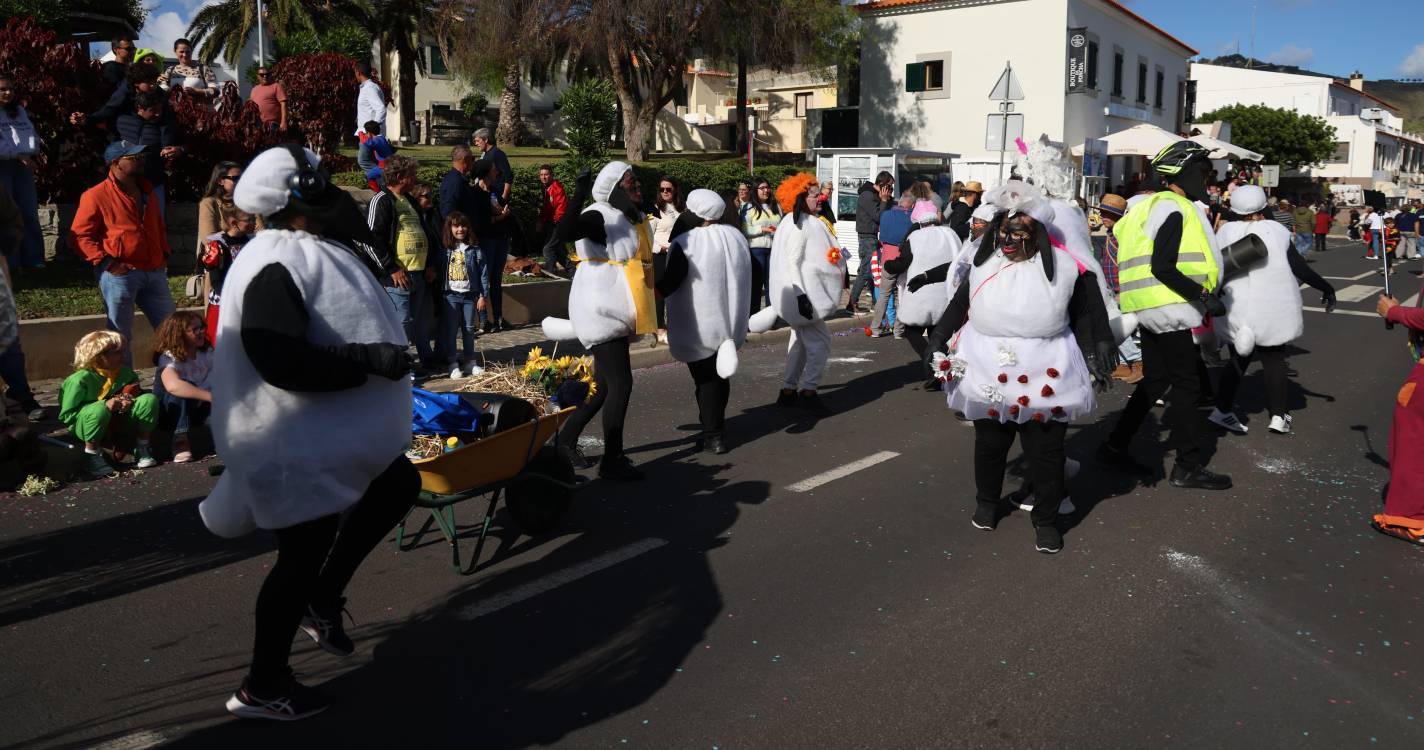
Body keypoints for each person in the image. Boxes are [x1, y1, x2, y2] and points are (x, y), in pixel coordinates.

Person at [200, 144, 417, 721]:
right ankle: (263, 685)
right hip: (292, 439)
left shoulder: (305, 249)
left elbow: (349, 228)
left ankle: (322, 596)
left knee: (397, 485)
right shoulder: (274, 260)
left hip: (326, 435)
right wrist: (366, 360)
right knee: (298, 559)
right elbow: (279, 359)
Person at [924, 181, 1115, 554]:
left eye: (1018, 233)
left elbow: (1086, 313)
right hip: (986, 363)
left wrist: (1097, 349)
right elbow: (960, 304)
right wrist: (938, 338)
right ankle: (986, 503)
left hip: (1046, 366)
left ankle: (1045, 519)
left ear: (1038, 234)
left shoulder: (1063, 267)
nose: (1008, 241)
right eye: (1003, 232)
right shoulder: (984, 264)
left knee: (1045, 451)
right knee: (990, 442)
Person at [1097, 141, 1232, 491]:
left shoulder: (1144, 208)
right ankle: (1187, 466)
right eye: (1204, 172)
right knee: (1187, 386)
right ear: (1182, 173)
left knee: (1156, 380)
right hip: (1170, 308)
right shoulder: (1176, 207)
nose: (1209, 179)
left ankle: (1114, 446)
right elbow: (1163, 266)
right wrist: (1204, 297)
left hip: (1147, 306)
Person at [543, 161, 656, 480]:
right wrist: (578, 192)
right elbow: (562, 234)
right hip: (600, 306)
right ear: (614, 187)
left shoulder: (628, 216)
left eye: (635, 181)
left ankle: (564, 441)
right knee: (622, 382)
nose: (636, 186)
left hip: (613, 305)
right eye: (629, 182)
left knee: (605, 384)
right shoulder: (598, 214)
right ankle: (613, 460)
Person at [1209, 185, 1336, 437]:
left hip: (1235, 307)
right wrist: (1326, 287)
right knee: (1274, 359)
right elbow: (1299, 267)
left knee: (1238, 358)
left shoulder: (1224, 232)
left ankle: (1221, 410)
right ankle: (1278, 416)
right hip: (1270, 307)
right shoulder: (1275, 230)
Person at [656, 190, 751, 454]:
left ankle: (713, 434)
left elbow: (671, 282)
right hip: (730, 322)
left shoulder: (688, 242)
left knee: (705, 379)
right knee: (720, 375)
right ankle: (715, 425)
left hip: (699, 323)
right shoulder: (735, 237)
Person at [748, 173, 847, 414]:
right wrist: (801, 295)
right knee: (821, 343)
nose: (820, 198)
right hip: (805, 297)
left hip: (799, 297)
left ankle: (788, 390)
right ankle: (809, 391)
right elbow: (792, 262)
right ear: (802, 198)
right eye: (815, 195)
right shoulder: (799, 225)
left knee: (799, 343)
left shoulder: (796, 221)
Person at [71, 140, 175, 365]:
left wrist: (164, 254)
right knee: (120, 337)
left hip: (154, 270)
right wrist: (108, 263)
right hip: (120, 273)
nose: (140, 160)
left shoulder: (148, 191)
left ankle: (171, 385)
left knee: (172, 331)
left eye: (141, 156)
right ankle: (125, 386)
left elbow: (158, 225)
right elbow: (80, 236)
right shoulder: (95, 195)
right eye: (133, 157)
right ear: (115, 163)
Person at [366, 155, 437, 372]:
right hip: (398, 278)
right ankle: (400, 365)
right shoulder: (382, 200)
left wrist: (430, 263)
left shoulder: (411, 200)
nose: (416, 178)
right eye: (412, 175)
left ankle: (425, 360)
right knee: (402, 322)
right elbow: (371, 240)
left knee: (420, 322)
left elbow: (425, 233)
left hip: (419, 273)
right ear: (399, 177)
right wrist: (392, 269)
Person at [59, 330, 158, 479]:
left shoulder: (125, 373)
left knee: (149, 399)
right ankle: (91, 455)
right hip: (87, 426)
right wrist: (104, 405)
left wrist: (128, 399)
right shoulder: (78, 380)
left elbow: (135, 391)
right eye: (116, 352)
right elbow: (67, 416)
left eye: (122, 351)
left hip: (119, 422)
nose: (123, 356)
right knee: (100, 409)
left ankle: (142, 446)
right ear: (98, 356)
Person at [884, 199, 963, 365]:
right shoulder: (950, 234)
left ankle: (933, 364)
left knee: (912, 331)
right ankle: (942, 366)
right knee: (938, 333)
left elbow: (902, 263)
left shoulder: (915, 238)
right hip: (945, 292)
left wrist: (888, 265)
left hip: (920, 291)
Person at [150, 310, 213, 463]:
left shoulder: (207, 353)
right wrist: (212, 397)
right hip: (170, 412)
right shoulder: (168, 357)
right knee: (183, 388)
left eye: (202, 327)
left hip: (198, 409)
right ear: (179, 334)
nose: (201, 332)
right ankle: (180, 441)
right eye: (195, 330)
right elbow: (173, 386)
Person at [1095, 194, 1143, 384]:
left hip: (1124, 289)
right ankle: (1122, 363)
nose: (1103, 217)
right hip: (1113, 287)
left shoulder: (1123, 233)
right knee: (1113, 325)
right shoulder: (1111, 232)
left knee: (1119, 325)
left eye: (1108, 214)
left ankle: (1137, 361)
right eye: (1102, 213)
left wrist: (1125, 289)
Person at [0, 71, 44, 269]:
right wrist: (18, 154)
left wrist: (29, 152)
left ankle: (34, 259)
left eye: (10, 89)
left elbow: (30, 134)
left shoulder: (18, 111)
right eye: (2, 89)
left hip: (23, 165)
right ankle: (10, 261)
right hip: (3, 164)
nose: (7, 93)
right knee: (6, 214)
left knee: (28, 211)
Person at [115, 89, 183, 217]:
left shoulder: (166, 125)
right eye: (153, 110)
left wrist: (179, 150)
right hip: (126, 184)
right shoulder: (122, 121)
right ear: (140, 108)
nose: (158, 114)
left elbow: (184, 144)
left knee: (155, 225)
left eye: (160, 110)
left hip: (153, 183)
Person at [438, 211, 486, 379]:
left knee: (469, 329)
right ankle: (452, 363)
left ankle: (470, 362)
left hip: (469, 296)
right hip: (451, 295)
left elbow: (483, 273)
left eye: (463, 225)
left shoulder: (475, 249)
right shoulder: (445, 250)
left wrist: (482, 295)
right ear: (450, 228)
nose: (460, 229)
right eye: (456, 226)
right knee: (451, 330)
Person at [198, 202, 256, 343]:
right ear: (233, 222)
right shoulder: (217, 245)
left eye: (254, 218)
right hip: (225, 302)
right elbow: (216, 282)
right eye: (249, 220)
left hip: (249, 300)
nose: (254, 223)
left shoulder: (253, 242)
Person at [470, 156, 511, 330]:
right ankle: (484, 319)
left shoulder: (494, 190)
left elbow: (502, 206)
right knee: (484, 278)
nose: (497, 172)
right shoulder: (475, 193)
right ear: (486, 173)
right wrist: (501, 216)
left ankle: (498, 318)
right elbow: (481, 221)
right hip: (486, 239)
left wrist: (501, 214)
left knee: (496, 279)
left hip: (500, 238)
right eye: (493, 169)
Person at [868, 192, 914, 337]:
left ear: (899, 203)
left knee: (883, 294)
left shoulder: (886, 215)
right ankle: (899, 330)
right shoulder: (912, 218)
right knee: (902, 294)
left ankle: (875, 328)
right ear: (912, 205)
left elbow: (881, 239)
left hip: (887, 258)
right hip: (904, 259)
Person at [848, 171, 893, 313]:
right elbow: (879, 216)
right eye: (890, 187)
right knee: (866, 271)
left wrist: (887, 200)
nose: (890, 191)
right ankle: (851, 304)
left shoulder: (874, 195)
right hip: (867, 237)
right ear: (882, 185)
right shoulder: (867, 196)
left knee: (874, 271)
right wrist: (884, 201)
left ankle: (874, 302)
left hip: (872, 235)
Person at [648, 175, 684, 344]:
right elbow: (648, 235)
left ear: (675, 189)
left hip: (678, 254)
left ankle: (674, 324)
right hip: (661, 254)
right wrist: (660, 248)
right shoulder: (655, 209)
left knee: (677, 291)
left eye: (668, 189)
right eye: (662, 189)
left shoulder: (681, 208)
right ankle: (660, 327)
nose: (665, 192)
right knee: (660, 292)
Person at [741, 178, 781, 313]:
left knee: (772, 285)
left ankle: (771, 316)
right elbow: (744, 229)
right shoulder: (748, 207)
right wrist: (762, 229)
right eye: (762, 188)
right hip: (756, 249)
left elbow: (781, 227)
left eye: (767, 187)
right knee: (756, 285)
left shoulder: (776, 206)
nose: (766, 190)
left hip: (774, 250)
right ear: (755, 190)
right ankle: (753, 316)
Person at [196, 161, 242, 257]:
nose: (240, 182)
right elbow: (208, 238)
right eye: (236, 178)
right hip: (220, 259)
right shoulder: (209, 203)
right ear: (220, 181)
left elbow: (260, 230)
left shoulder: (246, 201)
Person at [354, 62, 386, 178]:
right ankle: (381, 187)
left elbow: (381, 108)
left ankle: (388, 180)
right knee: (374, 161)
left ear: (358, 73)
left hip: (369, 135)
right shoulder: (368, 87)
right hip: (366, 133)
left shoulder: (369, 88)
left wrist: (372, 131)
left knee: (363, 160)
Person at [536, 164, 569, 273]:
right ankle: (573, 272)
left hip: (556, 223)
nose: (543, 177)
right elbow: (546, 208)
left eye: (546, 174)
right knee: (558, 250)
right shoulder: (546, 188)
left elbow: (561, 208)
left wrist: (554, 222)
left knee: (548, 249)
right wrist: (541, 220)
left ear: (552, 175)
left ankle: (551, 272)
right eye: (541, 175)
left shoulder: (557, 188)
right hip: (551, 222)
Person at [472, 128, 513, 206]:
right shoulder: (485, 154)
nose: (476, 144)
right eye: (475, 141)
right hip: (489, 196)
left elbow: (508, 176)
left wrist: (504, 197)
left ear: (486, 140)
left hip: (498, 196)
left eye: (477, 141)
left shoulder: (498, 154)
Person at [248, 66, 287, 134]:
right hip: (257, 125)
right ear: (258, 76)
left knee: (273, 144)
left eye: (267, 74)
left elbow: (283, 104)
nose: (265, 76)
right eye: (262, 75)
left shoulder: (276, 86)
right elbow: (251, 107)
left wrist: (283, 122)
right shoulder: (254, 89)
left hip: (272, 125)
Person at [359, 121, 396, 192]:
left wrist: (360, 133)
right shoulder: (381, 138)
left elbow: (365, 142)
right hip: (388, 164)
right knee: (371, 175)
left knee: (368, 177)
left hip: (384, 166)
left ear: (369, 133)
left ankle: (378, 192)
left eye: (366, 133)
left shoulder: (376, 140)